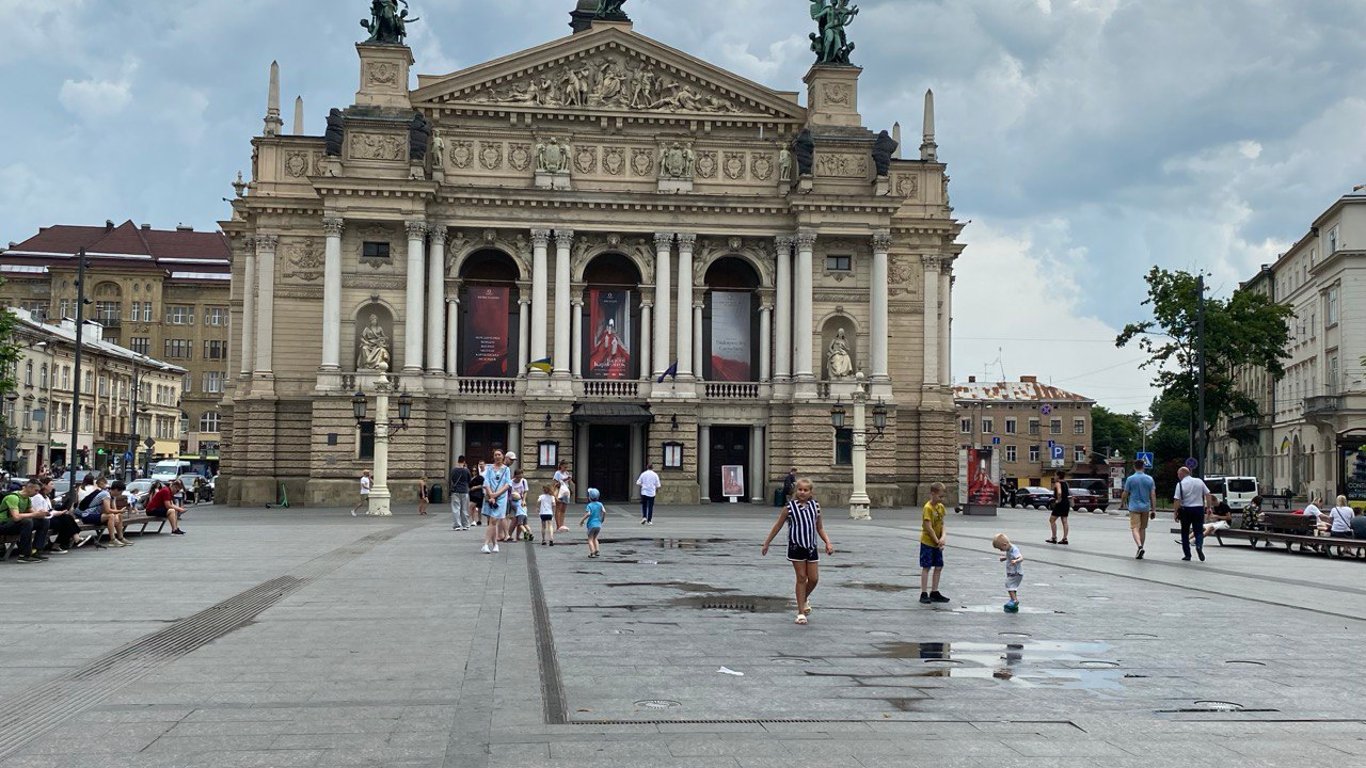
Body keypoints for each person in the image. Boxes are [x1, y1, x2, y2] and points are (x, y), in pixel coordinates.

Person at [760, 477, 833, 625]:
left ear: (810, 492)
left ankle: (803, 598)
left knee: (814, 579)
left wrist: (827, 542)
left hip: (811, 547)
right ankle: (800, 612)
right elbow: (778, 526)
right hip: (796, 546)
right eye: (800, 489)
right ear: (796, 491)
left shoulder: (815, 506)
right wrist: (767, 543)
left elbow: (819, 527)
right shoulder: (789, 508)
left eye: (806, 490)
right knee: (801, 577)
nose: (802, 492)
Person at [1, 481, 51, 563]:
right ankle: (24, 555)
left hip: (15, 524)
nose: (37, 493)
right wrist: (35, 514)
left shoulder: (27, 499)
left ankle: (35, 551)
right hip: (3, 524)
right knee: (27, 522)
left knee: (44, 521)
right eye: (36, 490)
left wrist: (42, 514)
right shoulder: (13, 497)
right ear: (29, 488)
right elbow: (16, 517)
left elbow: (34, 513)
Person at [1173, 467, 1215, 562]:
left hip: (1185, 510)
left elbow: (1177, 500)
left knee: (1185, 532)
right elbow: (1208, 494)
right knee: (1198, 531)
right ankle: (1199, 546)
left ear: (1182, 474)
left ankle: (1187, 555)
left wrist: (1175, 512)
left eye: (1178, 474)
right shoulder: (1199, 481)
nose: (1178, 476)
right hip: (1198, 509)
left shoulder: (1180, 484)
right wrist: (1208, 507)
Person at [919, 482, 951, 604]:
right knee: (926, 566)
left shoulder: (940, 507)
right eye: (940, 496)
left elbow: (942, 524)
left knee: (939, 566)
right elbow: (928, 528)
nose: (941, 499)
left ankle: (934, 591)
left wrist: (943, 537)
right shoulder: (928, 508)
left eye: (942, 496)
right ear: (933, 494)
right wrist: (938, 541)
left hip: (937, 542)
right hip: (928, 542)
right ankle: (923, 593)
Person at [1121, 460, 1157, 559]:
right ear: (1143, 466)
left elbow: (1125, 492)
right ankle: (1140, 548)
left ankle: (1139, 546)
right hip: (1145, 507)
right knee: (1142, 529)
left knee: (1135, 528)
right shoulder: (1150, 479)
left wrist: (1122, 503)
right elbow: (1153, 495)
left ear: (1134, 467)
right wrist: (1153, 509)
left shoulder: (1130, 479)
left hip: (1134, 507)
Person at [480, 451, 512, 554]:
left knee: (493, 520)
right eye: (495, 455)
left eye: (499, 455)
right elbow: (486, 482)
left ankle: (485, 544)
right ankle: (495, 544)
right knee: (492, 521)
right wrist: (491, 494)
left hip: (501, 498)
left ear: (503, 456)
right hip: (490, 497)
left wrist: (496, 494)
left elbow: (507, 484)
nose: (497, 456)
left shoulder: (506, 469)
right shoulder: (489, 468)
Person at [36, 477, 80, 552]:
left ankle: (73, 536)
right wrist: (56, 513)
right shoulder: (38, 497)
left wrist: (58, 512)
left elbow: (50, 510)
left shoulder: (46, 497)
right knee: (65, 521)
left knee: (67, 517)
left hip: (48, 517)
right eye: (51, 484)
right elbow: (42, 512)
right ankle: (74, 536)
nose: (53, 487)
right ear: (44, 485)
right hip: (43, 520)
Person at [992, 533, 1024, 613]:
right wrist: (1005, 558)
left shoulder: (1014, 549)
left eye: (1000, 548)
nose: (1001, 550)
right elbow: (1010, 556)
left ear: (1004, 545)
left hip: (1016, 572)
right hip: (1013, 572)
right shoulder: (1009, 549)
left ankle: (1014, 600)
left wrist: (1016, 560)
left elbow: (1021, 557)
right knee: (1012, 586)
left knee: (1009, 584)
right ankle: (1013, 599)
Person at [579, 487, 607, 558]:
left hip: (591, 525)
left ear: (589, 498)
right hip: (598, 524)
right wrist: (602, 519)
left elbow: (588, 514)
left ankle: (592, 552)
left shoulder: (589, 505)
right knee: (595, 538)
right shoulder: (600, 504)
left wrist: (582, 520)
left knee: (590, 538)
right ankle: (597, 550)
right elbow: (604, 511)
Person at [1046, 471, 1071, 545]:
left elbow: (1059, 492)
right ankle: (1065, 538)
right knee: (1064, 521)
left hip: (1060, 503)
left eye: (1055, 475)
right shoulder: (1066, 483)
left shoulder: (1058, 483)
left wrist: (1058, 500)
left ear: (1058, 476)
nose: (1054, 477)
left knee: (1052, 520)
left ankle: (1054, 537)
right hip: (1066, 503)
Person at [449, 456, 472, 530]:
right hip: (464, 490)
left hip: (455, 491)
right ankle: (465, 525)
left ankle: (457, 525)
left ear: (458, 461)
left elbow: (452, 479)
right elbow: (469, 480)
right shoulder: (466, 470)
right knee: (464, 509)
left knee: (456, 509)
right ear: (464, 461)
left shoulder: (453, 470)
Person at [510, 468, 531, 542]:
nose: (519, 478)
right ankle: (509, 535)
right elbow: (509, 492)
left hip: (521, 501)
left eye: (521, 477)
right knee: (514, 520)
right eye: (518, 477)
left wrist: (524, 500)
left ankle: (518, 536)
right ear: (515, 476)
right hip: (513, 501)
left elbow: (525, 491)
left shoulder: (524, 481)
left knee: (520, 519)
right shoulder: (511, 482)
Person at [553, 460, 573, 532]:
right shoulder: (557, 473)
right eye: (564, 467)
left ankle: (562, 525)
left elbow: (569, 483)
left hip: (566, 492)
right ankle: (558, 526)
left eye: (567, 467)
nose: (565, 469)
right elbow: (555, 484)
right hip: (559, 492)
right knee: (558, 509)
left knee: (563, 510)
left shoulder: (567, 473)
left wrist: (569, 480)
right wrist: (564, 479)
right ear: (561, 466)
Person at [469, 461, 486, 527]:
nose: (474, 472)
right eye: (473, 471)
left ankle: (478, 520)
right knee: (473, 508)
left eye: (475, 471)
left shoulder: (480, 477)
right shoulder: (470, 478)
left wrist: (475, 487)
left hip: (478, 494)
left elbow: (483, 484)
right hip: (472, 494)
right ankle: (474, 520)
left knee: (475, 507)